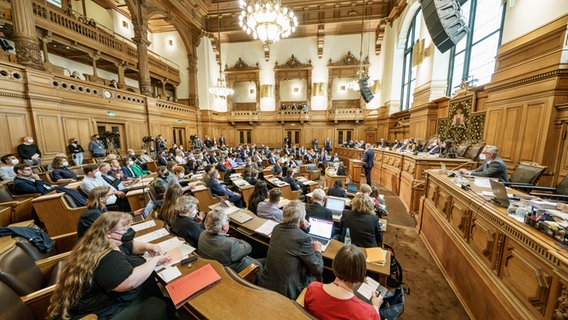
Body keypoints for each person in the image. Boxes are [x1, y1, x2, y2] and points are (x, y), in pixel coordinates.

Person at [48, 212, 171, 320]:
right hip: (99, 311)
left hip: (95, 301)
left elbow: (131, 245)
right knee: (157, 306)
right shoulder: (106, 257)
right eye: (124, 230)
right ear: (109, 233)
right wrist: (154, 261)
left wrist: (148, 246)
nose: (127, 233)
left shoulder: (102, 241)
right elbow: (129, 282)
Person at [259, 200, 323, 299]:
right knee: (318, 277)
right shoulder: (302, 238)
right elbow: (317, 268)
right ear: (301, 219)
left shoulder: (276, 228)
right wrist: (318, 250)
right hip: (287, 291)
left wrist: (303, 228)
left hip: (268, 282)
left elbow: (292, 237)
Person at [304, 245, 383, 320]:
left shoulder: (312, 289)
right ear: (361, 273)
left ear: (334, 264)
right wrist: (376, 307)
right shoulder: (367, 313)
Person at [198, 208, 263, 274]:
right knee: (260, 264)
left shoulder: (202, 234)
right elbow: (248, 247)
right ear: (224, 227)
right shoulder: (230, 244)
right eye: (227, 220)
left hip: (214, 266)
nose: (229, 221)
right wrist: (234, 239)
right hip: (228, 271)